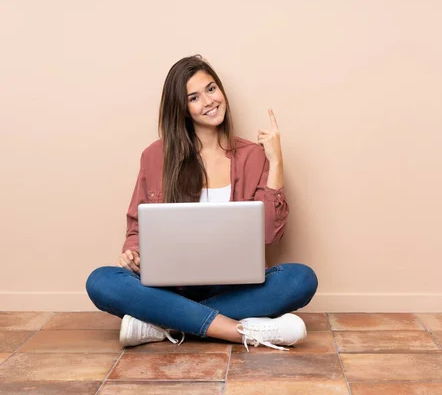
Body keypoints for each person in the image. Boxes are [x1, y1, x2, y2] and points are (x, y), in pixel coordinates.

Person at [85, 55, 318, 351]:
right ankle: (240, 330)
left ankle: (163, 321)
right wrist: (132, 253)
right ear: (182, 109)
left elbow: (270, 234)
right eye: (194, 97)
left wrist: (276, 159)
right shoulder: (155, 157)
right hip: (170, 285)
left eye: (211, 89)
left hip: (234, 287)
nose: (208, 101)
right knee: (101, 281)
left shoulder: (252, 155)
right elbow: (137, 227)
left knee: (300, 279)